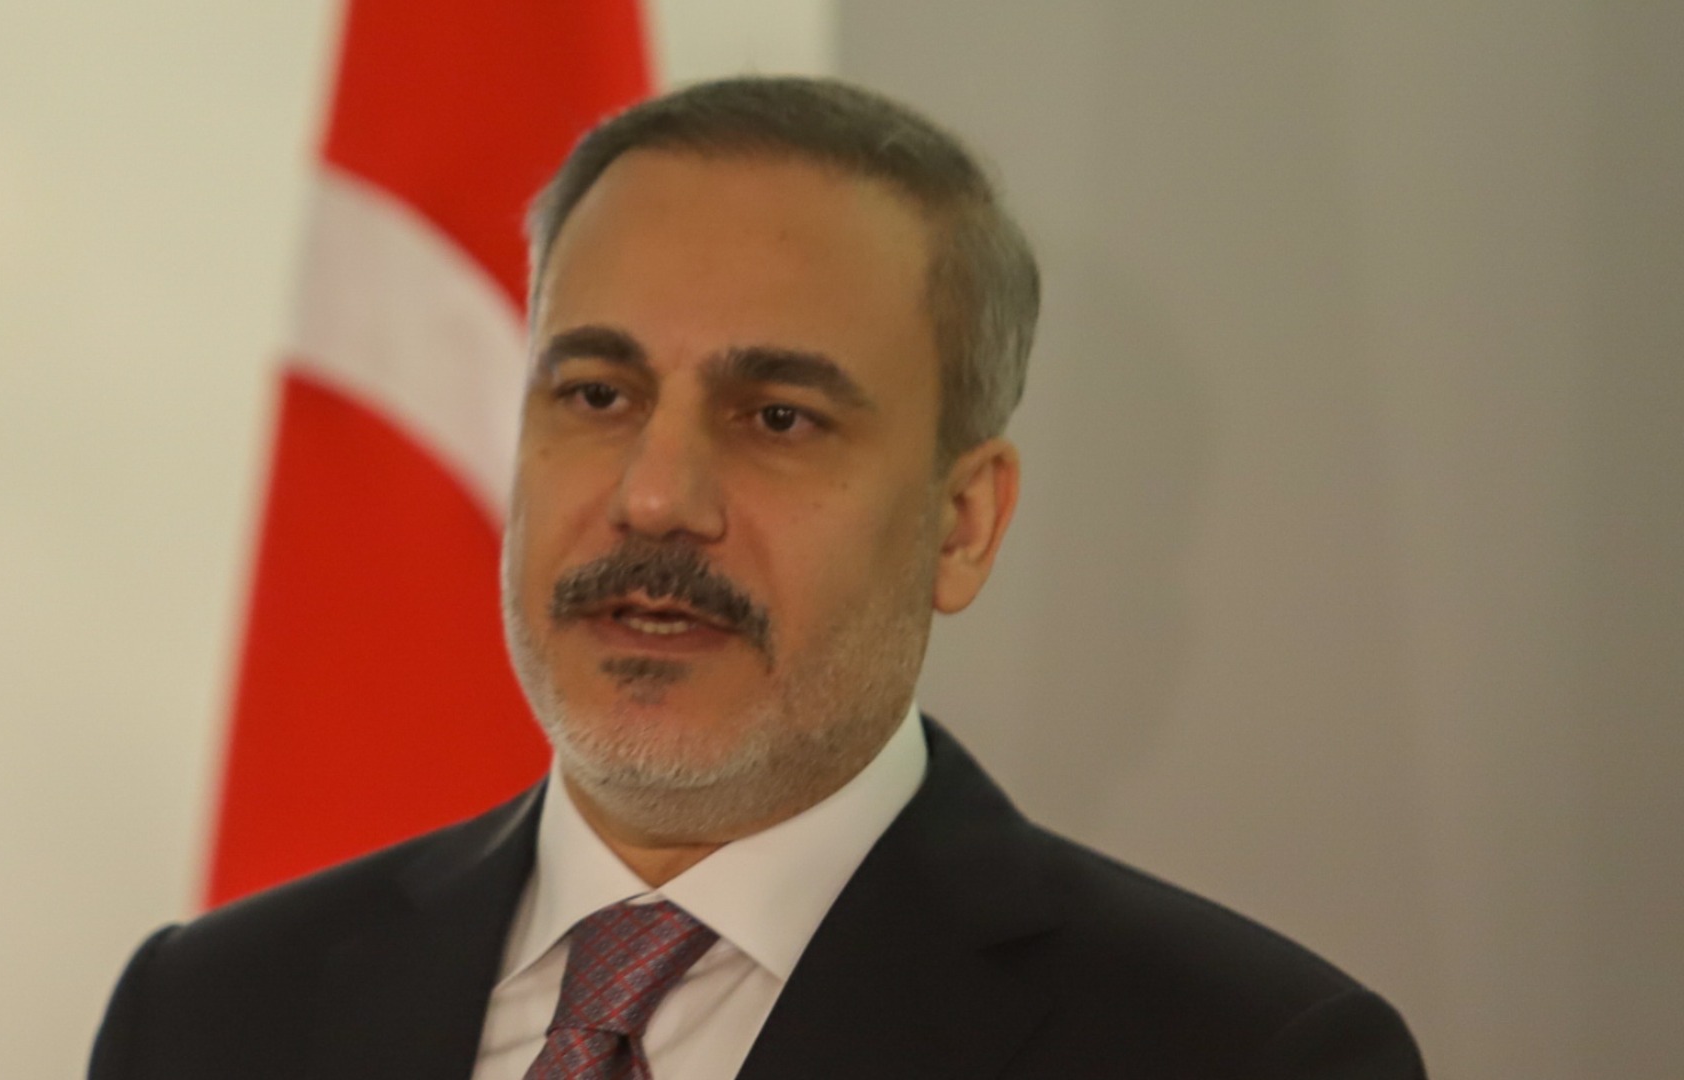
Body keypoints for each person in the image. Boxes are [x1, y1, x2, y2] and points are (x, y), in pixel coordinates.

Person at [90, 76, 1426, 1079]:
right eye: (598, 393)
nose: (655, 497)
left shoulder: (1245, 1054)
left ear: (962, 524)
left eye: (779, 416)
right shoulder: (209, 1015)